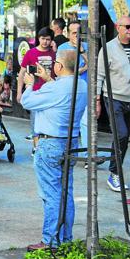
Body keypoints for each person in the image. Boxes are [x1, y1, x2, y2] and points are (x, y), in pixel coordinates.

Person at [21, 50, 87, 251]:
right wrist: (48, 79)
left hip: (50, 143)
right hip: (71, 141)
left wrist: (30, 84)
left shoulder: (56, 89)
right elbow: (59, 94)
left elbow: (26, 101)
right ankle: (64, 237)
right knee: (66, 192)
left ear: (59, 66)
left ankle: (50, 239)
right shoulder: (81, 85)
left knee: (51, 193)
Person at [97, 16, 130, 192]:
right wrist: (97, 100)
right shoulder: (108, 48)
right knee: (122, 135)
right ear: (118, 27)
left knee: (123, 138)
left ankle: (115, 172)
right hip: (113, 97)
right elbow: (99, 76)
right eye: (127, 26)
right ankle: (114, 173)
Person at [17, 27, 56, 152]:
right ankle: (36, 147)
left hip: (50, 92)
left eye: (48, 39)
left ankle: (44, 146)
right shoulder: (31, 53)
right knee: (35, 121)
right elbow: (22, 73)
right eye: (43, 39)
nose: (45, 42)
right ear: (38, 38)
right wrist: (19, 92)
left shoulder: (54, 53)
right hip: (35, 92)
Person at [58, 21, 89, 161]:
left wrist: (82, 51)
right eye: (74, 33)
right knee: (68, 122)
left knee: (85, 123)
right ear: (68, 34)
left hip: (84, 90)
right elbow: (61, 70)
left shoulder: (87, 47)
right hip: (67, 91)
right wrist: (81, 69)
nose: (77, 36)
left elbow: (93, 66)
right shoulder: (62, 48)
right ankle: (69, 153)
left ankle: (88, 156)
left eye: (79, 33)